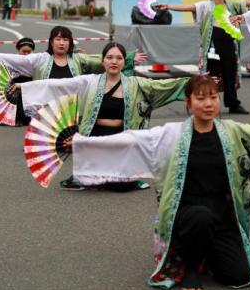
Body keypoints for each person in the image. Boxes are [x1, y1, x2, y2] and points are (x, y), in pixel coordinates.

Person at [71, 73, 250, 290]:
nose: (208, 104)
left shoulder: (232, 132)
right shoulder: (171, 135)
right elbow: (130, 141)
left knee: (239, 276)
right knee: (200, 218)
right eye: (201, 98)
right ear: (188, 102)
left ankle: (208, 253)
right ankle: (191, 266)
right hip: (188, 214)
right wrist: (80, 144)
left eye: (213, 97)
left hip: (223, 218)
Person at [21, 40, 188, 190]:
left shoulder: (136, 84)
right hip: (96, 139)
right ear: (102, 61)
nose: (114, 61)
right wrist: (24, 87)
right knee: (93, 180)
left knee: (121, 186)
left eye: (119, 58)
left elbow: (167, 86)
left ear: (124, 62)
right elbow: (58, 85)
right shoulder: (90, 82)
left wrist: (194, 83)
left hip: (121, 140)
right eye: (109, 57)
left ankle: (113, 174)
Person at [155, 0, 248, 115]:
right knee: (211, 75)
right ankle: (209, 103)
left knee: (230, 73)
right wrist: (168, 6)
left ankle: (233, 104)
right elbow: (187, 7)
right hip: (212, 45)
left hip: (229, 44)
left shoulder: (232, 6)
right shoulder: (205, 6)